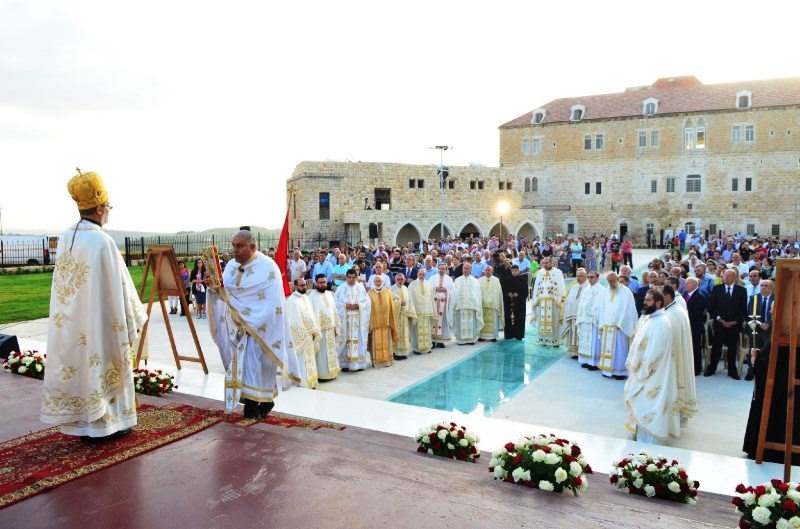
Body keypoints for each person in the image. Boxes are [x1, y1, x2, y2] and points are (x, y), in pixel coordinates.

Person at [41, 170, 147, 441]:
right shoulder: (102, 240)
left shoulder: (67, 236)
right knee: (104, 356)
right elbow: (121, 287)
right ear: (100, 208)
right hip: (99, 321)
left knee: (82, 365)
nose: (108, 212)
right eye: (108, 207)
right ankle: (111, 425)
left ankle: (84, 427)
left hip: (74, 319)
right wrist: (134, 314)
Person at [207, 230, 300, 419]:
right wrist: (213, 286)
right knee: (243, 366)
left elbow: (272, 303)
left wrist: (252, 324)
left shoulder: (268, 268)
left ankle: (254, 405)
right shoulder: (231, 266)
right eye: (233, 245)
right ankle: (259, 403)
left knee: (257, 365)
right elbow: (226, 292)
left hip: (260, 327)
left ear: (253, 247)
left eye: (239, 246)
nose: (235, 250)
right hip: (237, 327)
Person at [624, 289, 680, 445]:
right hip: (645, 372)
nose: (644, 302)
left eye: (648, 300)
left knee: (649, 405)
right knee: (643, 404)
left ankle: (650, 440)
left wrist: (642, 371)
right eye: (645, 300)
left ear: (658, 303)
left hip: (653, 374)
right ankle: (641, 435)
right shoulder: (651, 318)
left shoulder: (661, 322)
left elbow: (655, 352)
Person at [662, 284, 697, 427]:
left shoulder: (673, 314)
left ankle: (671, 421)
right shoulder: (672, 310)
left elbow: (670, 344)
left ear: (668, 297)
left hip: (673, 362)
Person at [706, 268, 748, 379]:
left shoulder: (741, 290)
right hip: (720, 324)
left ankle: (732, 370)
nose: (725, 278)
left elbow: (743, 309)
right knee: (716, 347)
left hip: (734, 325)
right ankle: (712, 368)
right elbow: (712, 307)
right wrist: (720, 319)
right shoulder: (717, 289)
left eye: (728, 276)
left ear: (734, 277)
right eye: (724, 276)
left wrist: (735, 321)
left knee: (732, 348)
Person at [597, 272, 639, 379]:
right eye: (609, 281)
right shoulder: (607, 291)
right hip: (607, 326)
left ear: (617, 279)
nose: (610, 283)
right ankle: (607, 370)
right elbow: (603, 308)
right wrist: (602, 323)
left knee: (620, 350)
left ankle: (620, 372)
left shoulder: (626, 291)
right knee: (607, 349)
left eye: (612, 281)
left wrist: (621, 323)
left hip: (619, 327)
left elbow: (628, 309)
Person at [285, 278, 321, 388]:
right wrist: (304, 333)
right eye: (301, 285)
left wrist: (314, 329)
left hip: (309, 335)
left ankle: (310, 381)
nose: (304, 287)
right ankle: (302, 382)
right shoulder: (292, 301)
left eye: (305, 285)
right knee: (301, 360)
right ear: (295, 287)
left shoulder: (306, 298)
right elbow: (293, 321)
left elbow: (311, 315)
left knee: (309, 360)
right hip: (301, 337)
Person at [334, 268, 371, 371]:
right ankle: (345, 363)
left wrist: (359, 305)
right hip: (345, 319)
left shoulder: (360, 288)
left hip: (358, 319)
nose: (351, 279)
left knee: (358, 339)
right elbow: (335, 302)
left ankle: (358, 363)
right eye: (349, 277)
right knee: (345, 340)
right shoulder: (341, 288)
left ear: (356, 277)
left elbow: (367, 301)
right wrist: (345, 306)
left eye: (353, 277)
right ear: (346, 277)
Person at [308, 274, 341, 381]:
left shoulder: (329, 294)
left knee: (331, 351)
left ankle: (331, 373)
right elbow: (311, 315)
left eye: (324, 282)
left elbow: (334, 310)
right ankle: (321, 375)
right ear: (316, 283)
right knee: (321, 354)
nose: (322, 285)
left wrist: (336, 326)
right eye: (320, 282)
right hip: (320, 331)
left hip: (330, 329)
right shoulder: (312, 297)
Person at [530, 256, 566, 346]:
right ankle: (543, 340)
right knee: (542, 320)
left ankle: (554, 341)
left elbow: (561, 287)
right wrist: (536, 300)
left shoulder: (558, 272)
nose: (545, 265)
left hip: (554, 301)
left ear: (552, 263)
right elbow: (536, 287)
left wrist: (560, 300)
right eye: (543, 263)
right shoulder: (540, 273)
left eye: (547, 263)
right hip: (542, 301)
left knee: (554, 321)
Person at [367, 275, 398, 367]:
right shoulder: (369, 293)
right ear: (373, 282)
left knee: (386, 342)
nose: (377, 282)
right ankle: (376, 362)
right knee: (375, 343)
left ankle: (387, 360)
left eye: (379, 281)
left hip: (386, 322)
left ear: (382, 281)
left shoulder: (388, 292)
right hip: (375, 323)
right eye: (376, 281)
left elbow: (392, 306)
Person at [577, 270, 605, 370]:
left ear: (597, 278)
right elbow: (582, 304)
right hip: (585, 319)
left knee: (593, 342)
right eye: (588, 277)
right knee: (585, 341)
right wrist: (580, 316)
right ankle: (586, 360)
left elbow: (600, 306)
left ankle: (594, 363)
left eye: (592, 277)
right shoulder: (586, 289)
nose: (589, 279)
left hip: (593, 321)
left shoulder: (602, 290)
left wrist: (593, 315)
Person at [451, 260, 483, 345]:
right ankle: (461, 340)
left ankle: (471, 340)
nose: (465, 270)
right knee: (461, 323)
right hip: (460, 305)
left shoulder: (475, 281)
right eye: (464, 268)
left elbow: (478, 293)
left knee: (470, 322)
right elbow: (454, 293)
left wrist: (477, 303)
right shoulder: (457, 280)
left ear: (470, 269)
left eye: (467, 268)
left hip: (471, 305)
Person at [683, 277, 708, 376]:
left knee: (695, 348)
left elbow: (696, 314)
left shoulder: (699, 296)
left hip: (695, 327)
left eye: (688, 283)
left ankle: (696, 369)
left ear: (695, 285)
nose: (685, 285)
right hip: (688, 326)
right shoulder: (686, 294)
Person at [562, 268, 589, 358]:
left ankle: (581, 352)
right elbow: (569, 301)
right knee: (573, 333)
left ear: (586, 276)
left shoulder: (588, 287)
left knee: (582, 334)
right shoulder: (574, 287)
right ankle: (574, 352)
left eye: (580, 276)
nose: (578, 278)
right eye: (577, 276)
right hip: (572, 316)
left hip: (583, 317)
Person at [408, 269, 437, 354]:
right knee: (416, 331)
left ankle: (427, 347)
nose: (421, 276)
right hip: (417, 312)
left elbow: (431, 297)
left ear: (425, 275)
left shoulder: (428, 284)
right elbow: (410, 298)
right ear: (417, 274)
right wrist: (411, 311)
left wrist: (432, 309)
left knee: (427, 330)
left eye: (423, 274)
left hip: (427, 311)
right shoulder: (412, 285)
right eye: (420, 274)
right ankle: (417, 348)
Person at [428, 261, 455, 348]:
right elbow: (428, 288)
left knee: (442, 322)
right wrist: (435, 289)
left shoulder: (449, 279)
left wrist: (446, 290)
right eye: (439, 268)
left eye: (443, 269)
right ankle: (432, 341)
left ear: (446, 269)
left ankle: (440, 341)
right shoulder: (432, 278)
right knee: (433, 322)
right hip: (434, 304)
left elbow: (454, 291)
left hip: (444, 305)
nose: (441, 270)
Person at [390, 273, 416, 360]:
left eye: (402, 279)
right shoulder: (391, 289)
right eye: (398, 279)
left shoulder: (406, 288)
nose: (400, 281)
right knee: (397, 334)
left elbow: (410, 301)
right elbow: (389, 303)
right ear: (395, 280)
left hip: (404, 316)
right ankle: (396, 353)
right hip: (396, 316)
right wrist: (399, 303)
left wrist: (411, 313)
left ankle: (403, 352)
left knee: (405, 334)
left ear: (404, 280)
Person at [478, 265, 504, 342]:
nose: (487, 272)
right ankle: (481, 336)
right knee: (482, 320)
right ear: (484, 271)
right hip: (482, 304)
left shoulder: (496, 280)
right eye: (486, 270)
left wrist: (493, 301)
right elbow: (478, 292)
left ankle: (493, 336)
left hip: (493, 304)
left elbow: (498, 292)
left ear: (492, 271)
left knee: (493, 321)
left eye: (489, 270)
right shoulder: (479, 280)